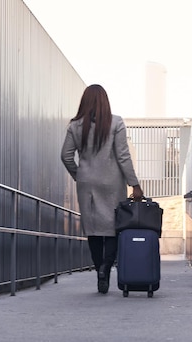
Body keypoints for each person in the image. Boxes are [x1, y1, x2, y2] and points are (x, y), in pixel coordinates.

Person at [61, 84, 143, 294]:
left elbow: (66, 156)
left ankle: (100, 271)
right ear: (105, 101)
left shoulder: (75, 126)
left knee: (94, 230)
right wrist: (134, 184)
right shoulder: (116, 122)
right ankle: (107, 266)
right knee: (114, 228)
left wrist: (79, 175)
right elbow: (123, 156)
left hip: (86, 183)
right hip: (112, 182)